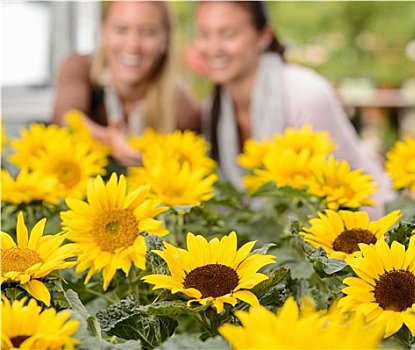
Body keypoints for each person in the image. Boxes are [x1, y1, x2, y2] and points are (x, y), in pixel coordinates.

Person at [192, 1, 394, 218]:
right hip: (283, 237)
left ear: (264, 36)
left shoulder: (306, 93)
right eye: (204, 34)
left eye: (228, 34)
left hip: (366, 227)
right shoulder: (214, 107)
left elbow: (334, 187)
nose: (213, 48)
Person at [52, 1, 201, 167]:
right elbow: (66, 117)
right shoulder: (80, 68)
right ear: (103, 31)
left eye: (147, 32)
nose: (132, 46)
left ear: (165, 38)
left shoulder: (183, 108)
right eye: (121, 29)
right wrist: (107, 141)